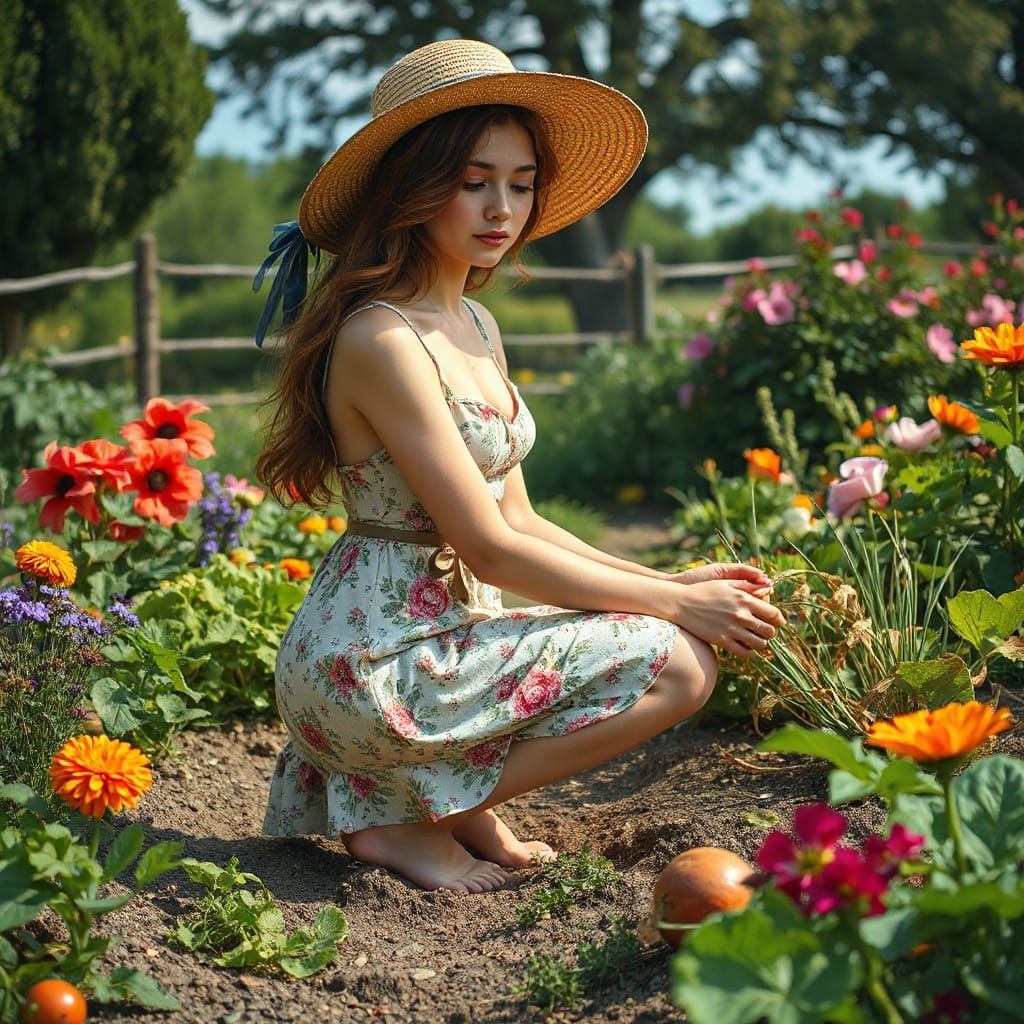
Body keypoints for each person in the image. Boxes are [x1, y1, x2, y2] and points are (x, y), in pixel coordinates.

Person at [254, 38, 785, 893]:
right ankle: (408, 819)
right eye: (473, 180)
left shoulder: (475, 323)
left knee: (674, 635)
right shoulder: (381, 337)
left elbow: (523, 520)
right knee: (683, 663)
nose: (501, 206)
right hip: (373, 663)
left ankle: (449, 805)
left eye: (521, 181)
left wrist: (661, 577)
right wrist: (679, 601)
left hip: (435, 643)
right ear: (413, 187)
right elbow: (490, 549)